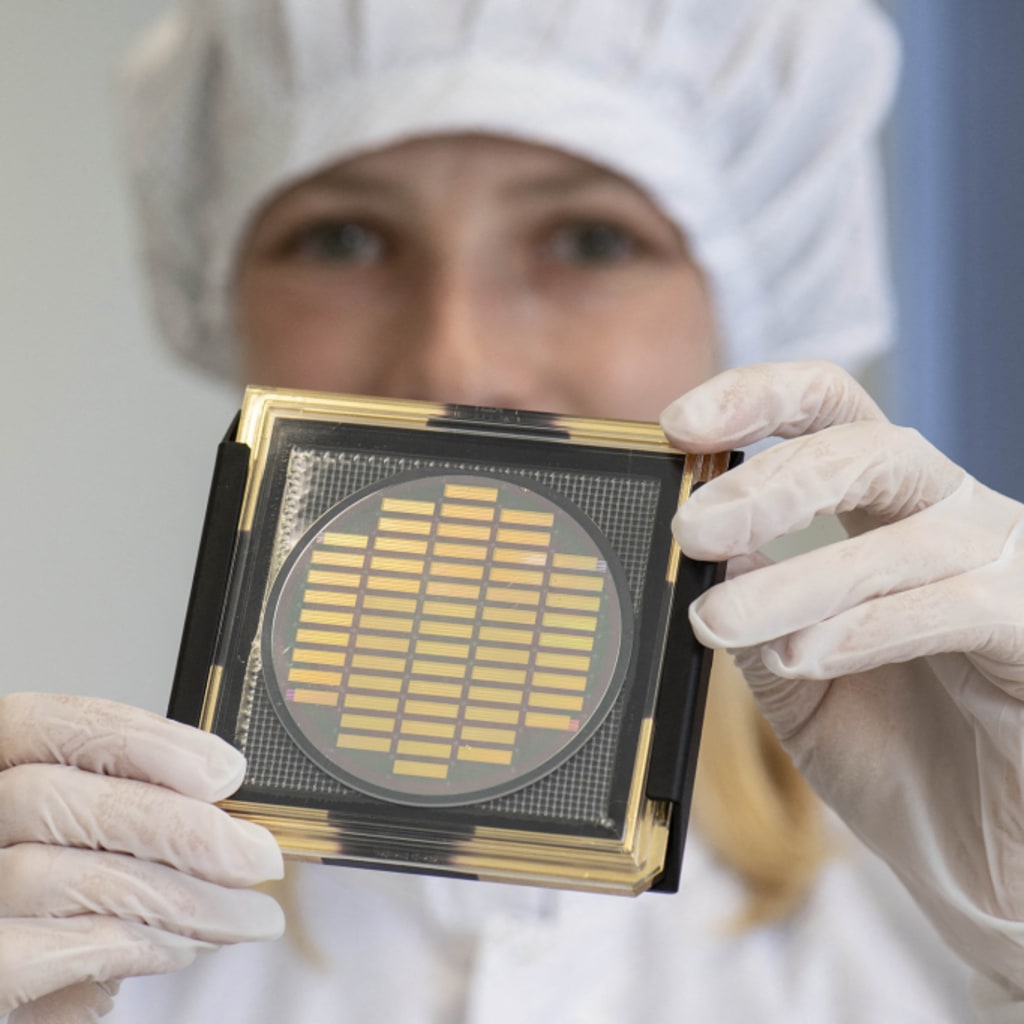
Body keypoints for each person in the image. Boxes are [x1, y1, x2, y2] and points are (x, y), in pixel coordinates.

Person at [2, 0, 1023, 1021]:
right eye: (344, 238)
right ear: (229, 303)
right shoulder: (68, 936)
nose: (455, 360)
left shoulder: (950, 922)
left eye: (588, 240)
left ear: (746, 316)